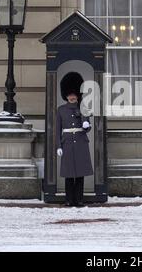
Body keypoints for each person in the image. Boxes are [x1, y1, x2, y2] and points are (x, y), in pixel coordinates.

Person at [56, 72, 93, 207]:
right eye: (70, 94)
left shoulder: (83, 108)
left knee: (80, 174)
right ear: (66, 95)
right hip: (67, 143)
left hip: (81, 143)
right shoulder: (61, 110)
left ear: (77, 95)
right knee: (69, 174)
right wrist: (58, 146)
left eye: (74, 94)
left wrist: (86, 125)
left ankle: (79, 199)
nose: (72, 97)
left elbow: (88, 128)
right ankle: (69, 199)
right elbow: (57, 129)